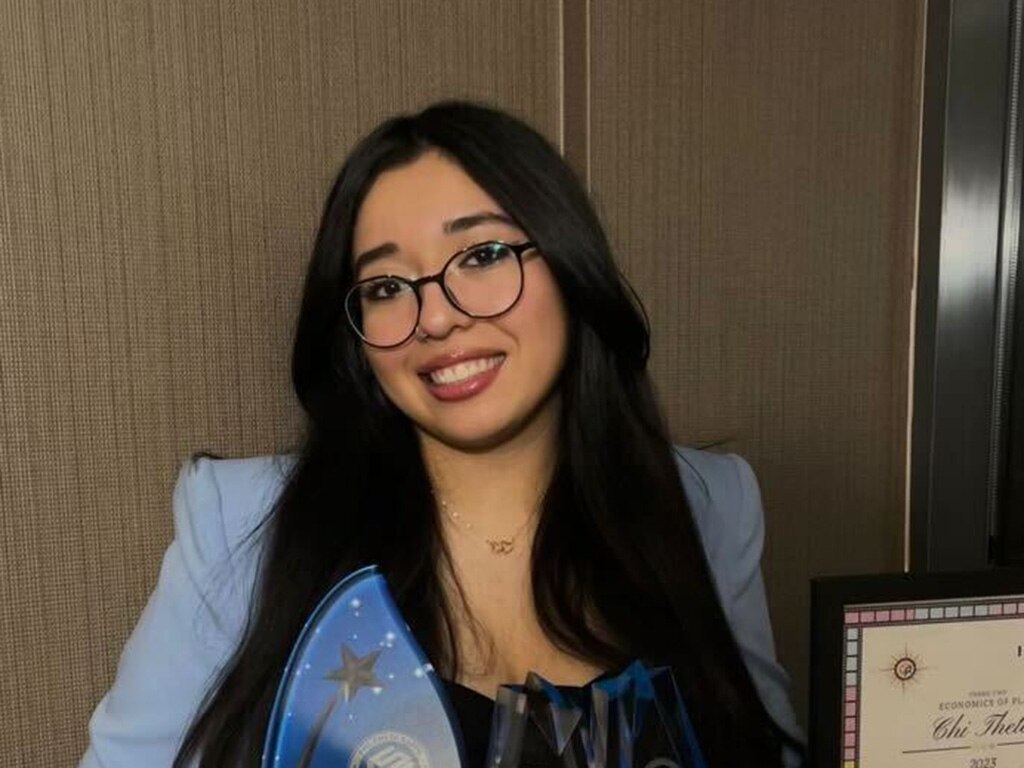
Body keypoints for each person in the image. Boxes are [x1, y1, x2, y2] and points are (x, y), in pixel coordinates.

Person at [80, 101, 803, 767]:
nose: (435, 318)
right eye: (386, 287)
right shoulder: (239, 524)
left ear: (568, 262)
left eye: (483, 256)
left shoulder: (709, 504)